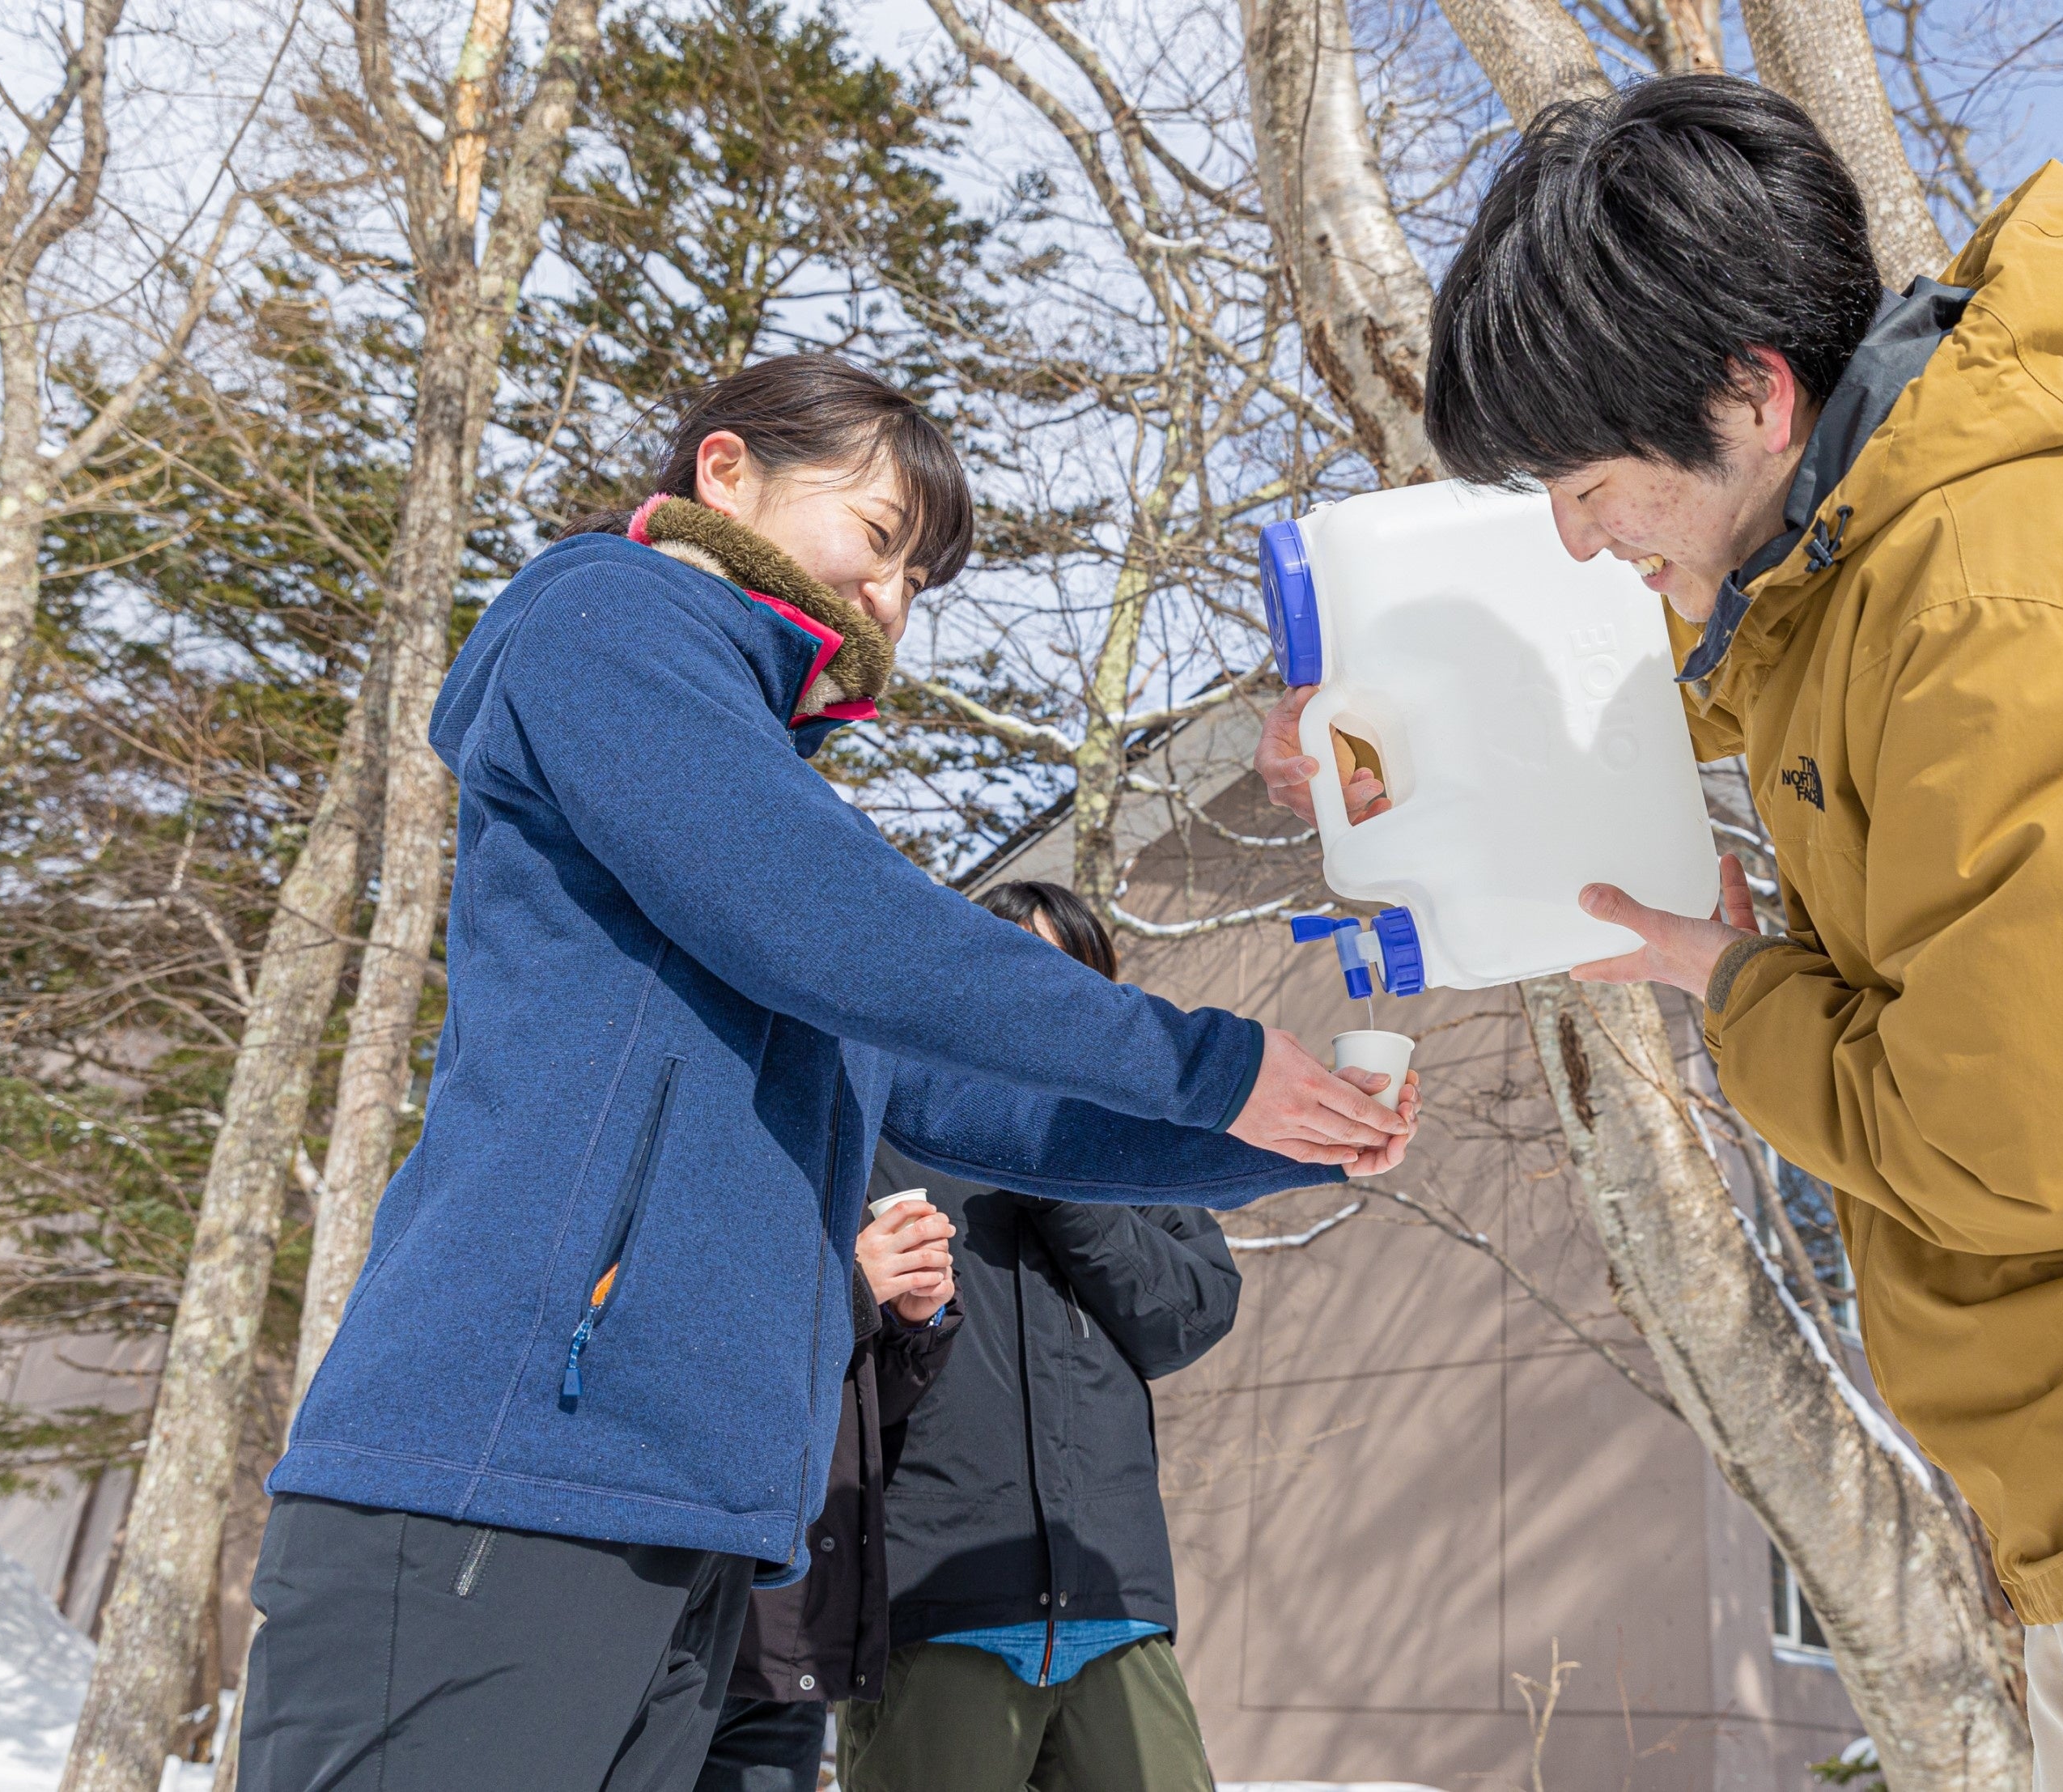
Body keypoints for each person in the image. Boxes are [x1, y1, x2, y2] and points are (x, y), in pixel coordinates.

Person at [1258, 78, 2063, 1791]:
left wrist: (1721, 980)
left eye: (1590, 481)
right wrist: (1379, 753)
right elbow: (1678, 694)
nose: (1576, 534)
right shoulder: (1872, 574)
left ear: (1752, 393)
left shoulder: (2030, 602)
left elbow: (2009, 1151)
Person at [243, 353, 1417, 1792]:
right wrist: (1203, 1056)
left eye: (920, 574)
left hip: (705, 1516)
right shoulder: (605, 619)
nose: (892, 595)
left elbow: (956, 1095)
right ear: (725, 472)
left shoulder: (759, 812)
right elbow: (829, 917)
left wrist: (1278, 1131)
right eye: (876, 534)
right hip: (504, 1471)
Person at [836, 880, 1240, 1792]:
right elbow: (812, 1342)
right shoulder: (885, 1122)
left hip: (1117, 1606)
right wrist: (872, 1291)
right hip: (937, 1606)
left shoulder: (1130, 1142)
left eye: (1069, 979)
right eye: (1013, 965)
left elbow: (1188, 1318)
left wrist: (1060, 1178)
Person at [696, 1192, 963, 1792]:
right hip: (669, 1616)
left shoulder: (838, 1167)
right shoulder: (687, 1148)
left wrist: (908, 1322)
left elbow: (852, 1412)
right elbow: (666, 1343)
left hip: (787, 1631)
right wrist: (846, 1288)